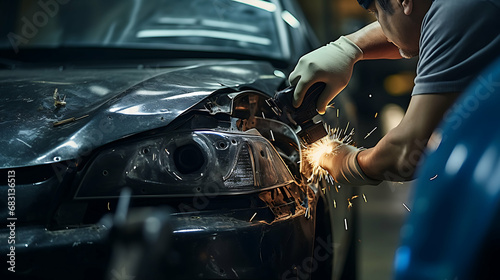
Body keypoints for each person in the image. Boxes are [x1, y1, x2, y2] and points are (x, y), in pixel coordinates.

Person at [289, 0, 500, 185]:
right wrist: (348, 48)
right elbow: (421, 29)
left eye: (376, 13)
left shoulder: (458, 11)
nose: (381, 26)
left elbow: (405, 154)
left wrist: (346, 162)